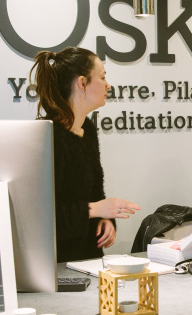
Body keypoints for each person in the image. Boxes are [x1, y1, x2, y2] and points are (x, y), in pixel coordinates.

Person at [29, 47, 140, 262]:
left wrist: (105, 219)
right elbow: (41, 216)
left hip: (89, 259)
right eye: (102, 77)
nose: (108, 85)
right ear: (82, 83)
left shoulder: (87, 129)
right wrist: (96, 209)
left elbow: (95, 193)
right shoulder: (47, 136)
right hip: (57, 263)